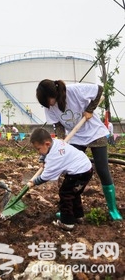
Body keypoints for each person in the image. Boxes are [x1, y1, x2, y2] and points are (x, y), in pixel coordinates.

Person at [36, 79, 122, 221]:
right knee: (71, 172)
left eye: (48, 100)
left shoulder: (74, 90)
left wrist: (89, 110)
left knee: (102, 169)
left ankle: (113, 209)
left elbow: (99, 89)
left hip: (95, 132)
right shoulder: (48, 107)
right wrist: (62, 142)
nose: (49, 104)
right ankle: (70, 209)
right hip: (75, 137)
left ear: (54, 93)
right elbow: (58, 126)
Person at [29, 128, 93, 231]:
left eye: (38, 149)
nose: (38, 152)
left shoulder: (55, 157)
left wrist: (34, 182)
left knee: (65, 194)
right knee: (74, 193)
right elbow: (46, 153)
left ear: (47, 144)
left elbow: (45, 177)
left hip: (78, 173)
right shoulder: (57, 142)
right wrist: (42, 158)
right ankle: (78, 216)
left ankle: (67, 222)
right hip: (86, 168)